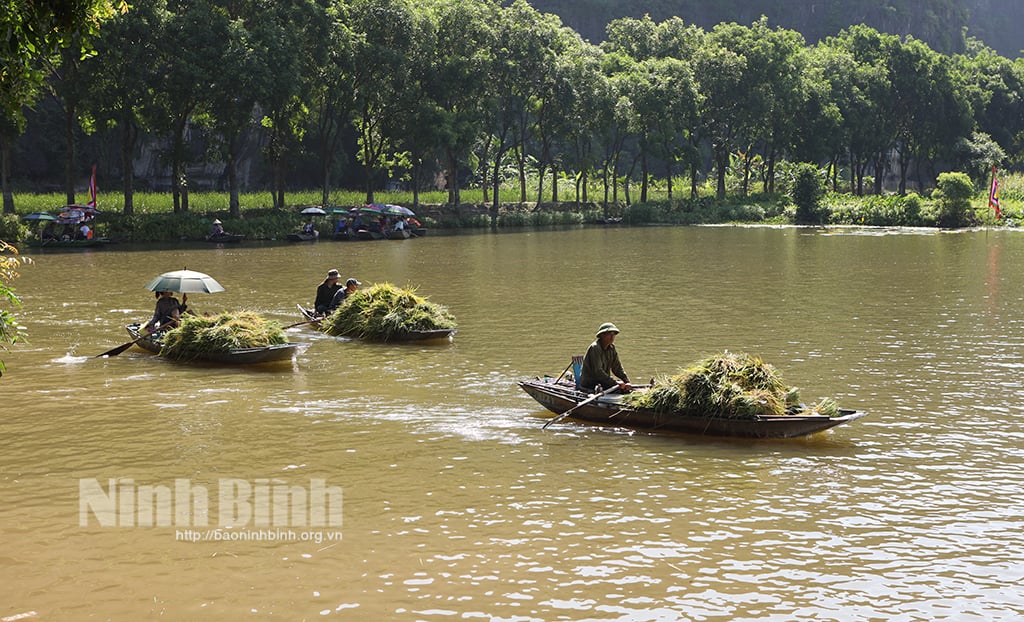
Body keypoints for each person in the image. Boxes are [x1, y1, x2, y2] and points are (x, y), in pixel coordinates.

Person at [579, 322, 632, 393]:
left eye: (614, 334)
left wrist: (627, 381)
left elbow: (617, 368)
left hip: (603, 381)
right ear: (602, 335)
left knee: (626, 390)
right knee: (618, 391)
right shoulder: (595, 348)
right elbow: (598, 372)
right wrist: (615, 383)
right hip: (591, 383)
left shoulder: (612, 348)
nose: (612, 337)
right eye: (610, 334)